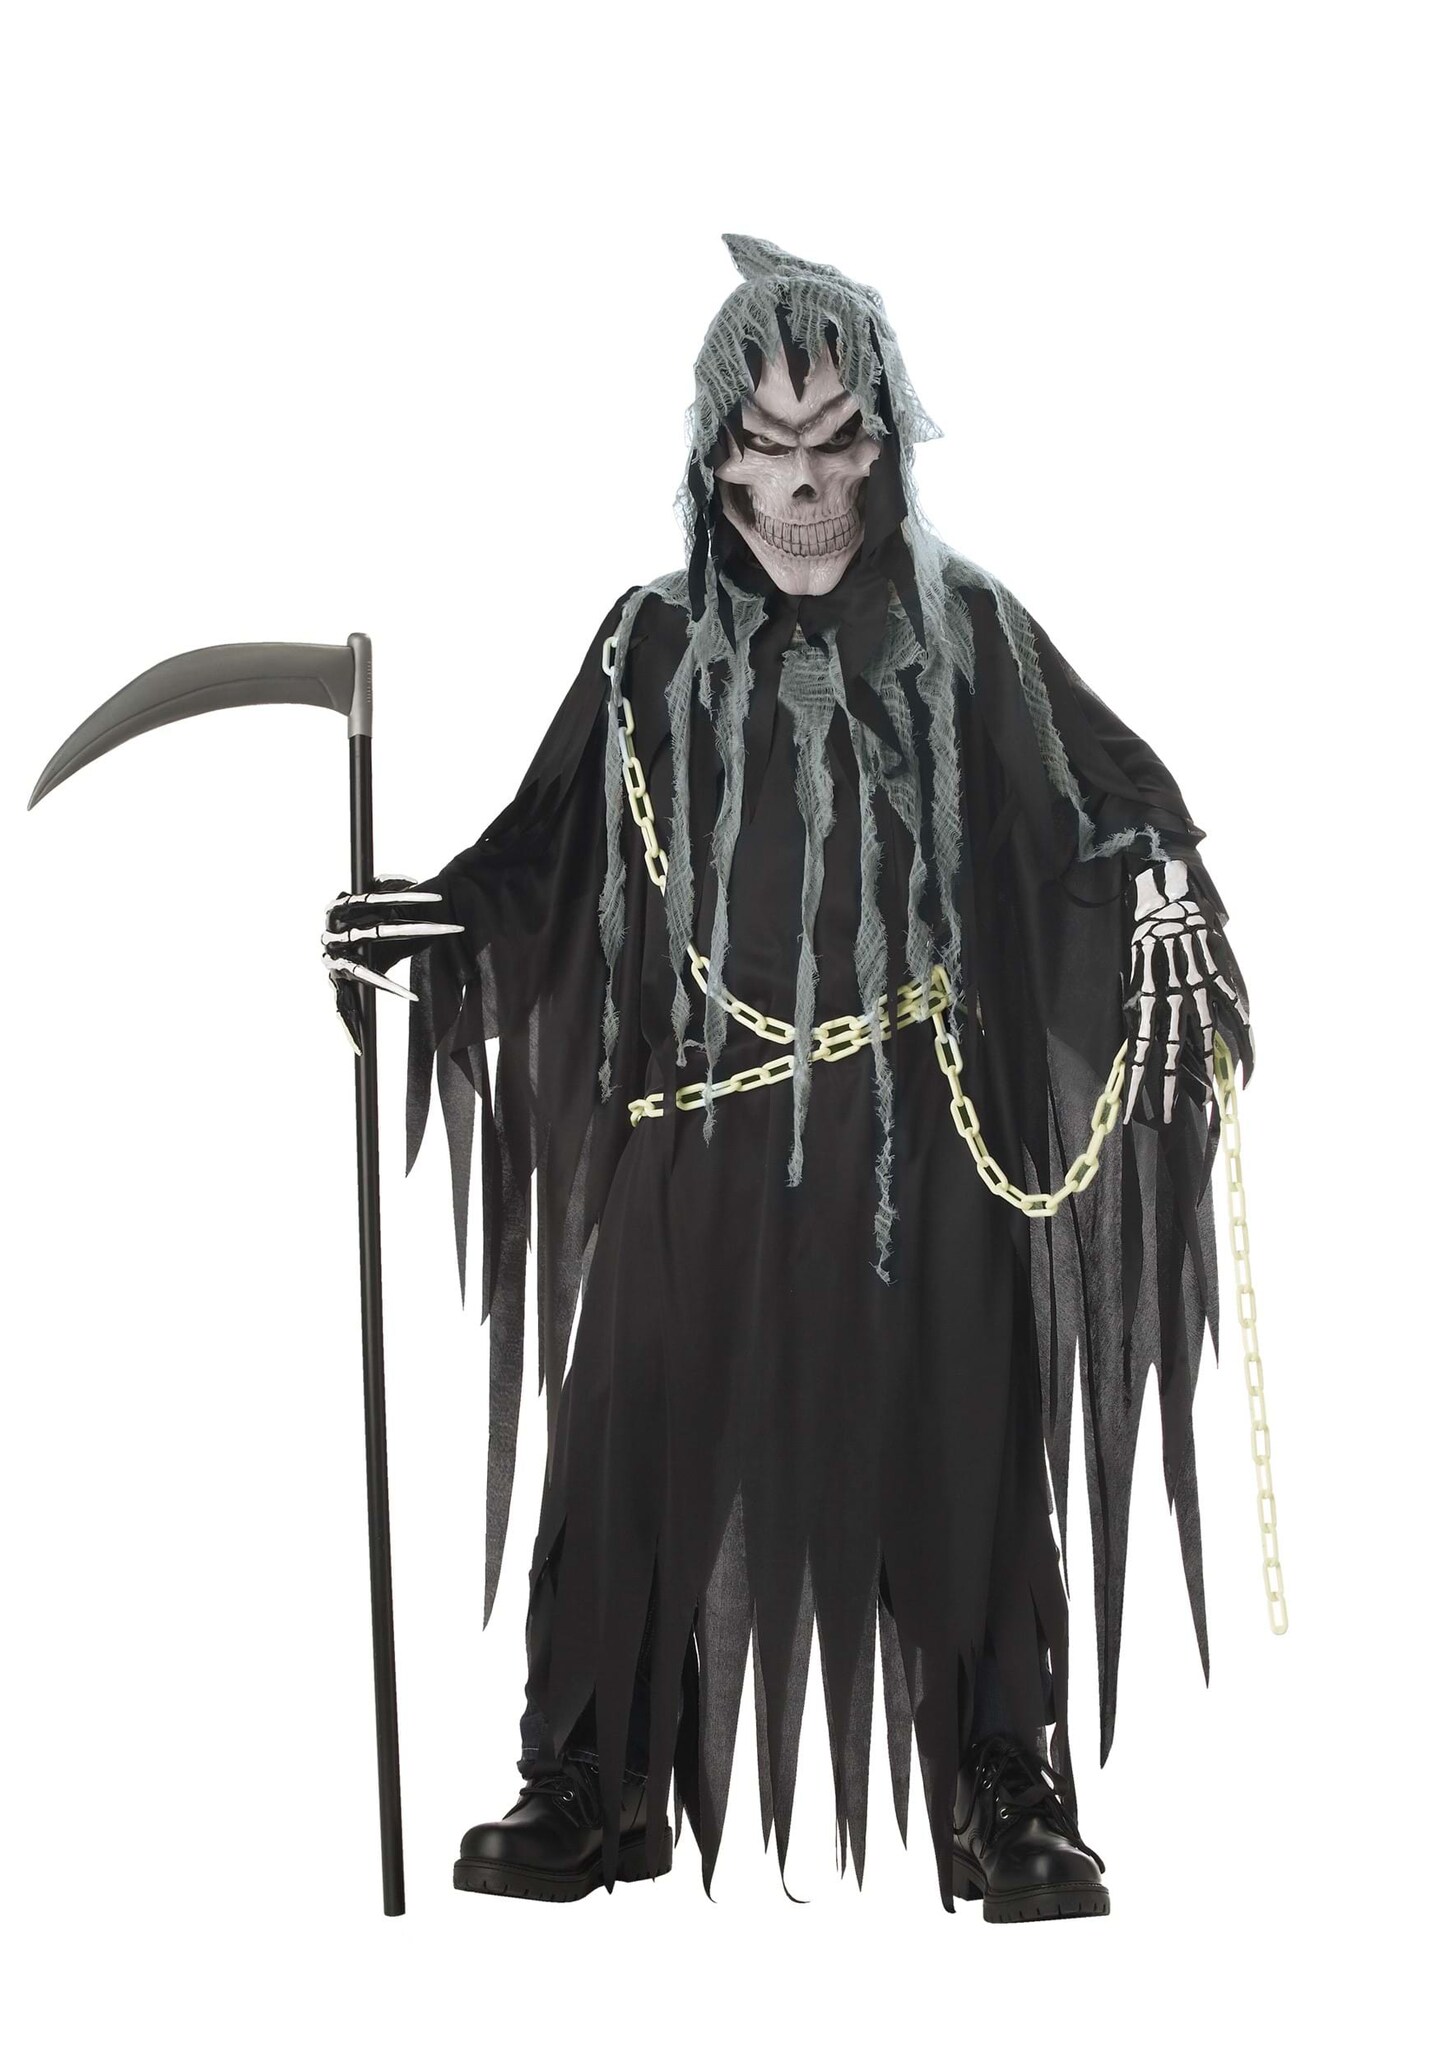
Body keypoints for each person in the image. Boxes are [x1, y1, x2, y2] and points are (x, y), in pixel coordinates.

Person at [325, 235, 1252, 1919]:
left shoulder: (971, 632)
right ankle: (589, 1775)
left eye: (841, 443)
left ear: (886, 446)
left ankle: (1004, 1779)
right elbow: (543, 859)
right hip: (702, 1125)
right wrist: (436, 921)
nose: (811, 489)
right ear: (719, 456)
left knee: (963, 1436)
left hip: (923, 1128)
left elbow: (1115, 801)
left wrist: (1163, 888)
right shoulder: (646, 648)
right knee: (625, 1425)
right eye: (773, 446)